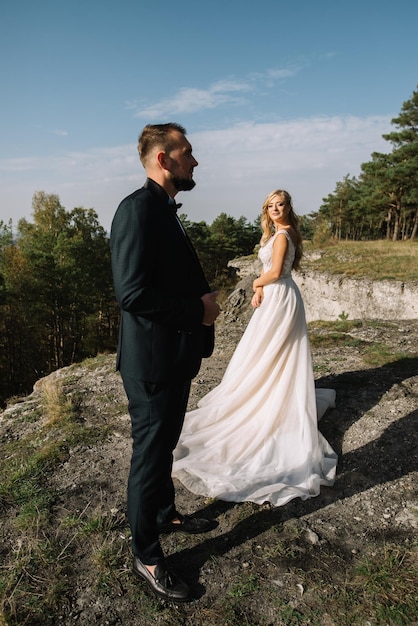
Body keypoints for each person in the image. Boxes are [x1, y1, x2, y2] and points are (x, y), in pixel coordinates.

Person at [110, 123, 220, 603]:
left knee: (167, 442)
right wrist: (198, 310)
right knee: (149, 456)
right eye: (188, 153)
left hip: (174, 357)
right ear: (163, 159)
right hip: (151, 364)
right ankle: (147, 554)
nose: (195, 161)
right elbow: (131, 292)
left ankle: (165, 514)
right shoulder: (137, 210)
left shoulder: (164, 209)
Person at [172, 189, 338, 507]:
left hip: (281, 296)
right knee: (267, 353)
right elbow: (273, 273)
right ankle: (270, 392)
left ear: (289, 207)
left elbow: (275, 273)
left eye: (281, 204)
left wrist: (255, 284)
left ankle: (270, 401)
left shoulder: (283, 237)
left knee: (272, 353)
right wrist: (262, 289)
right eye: (270, 206)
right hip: (277, 296)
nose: (275, 209)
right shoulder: (278, 234)